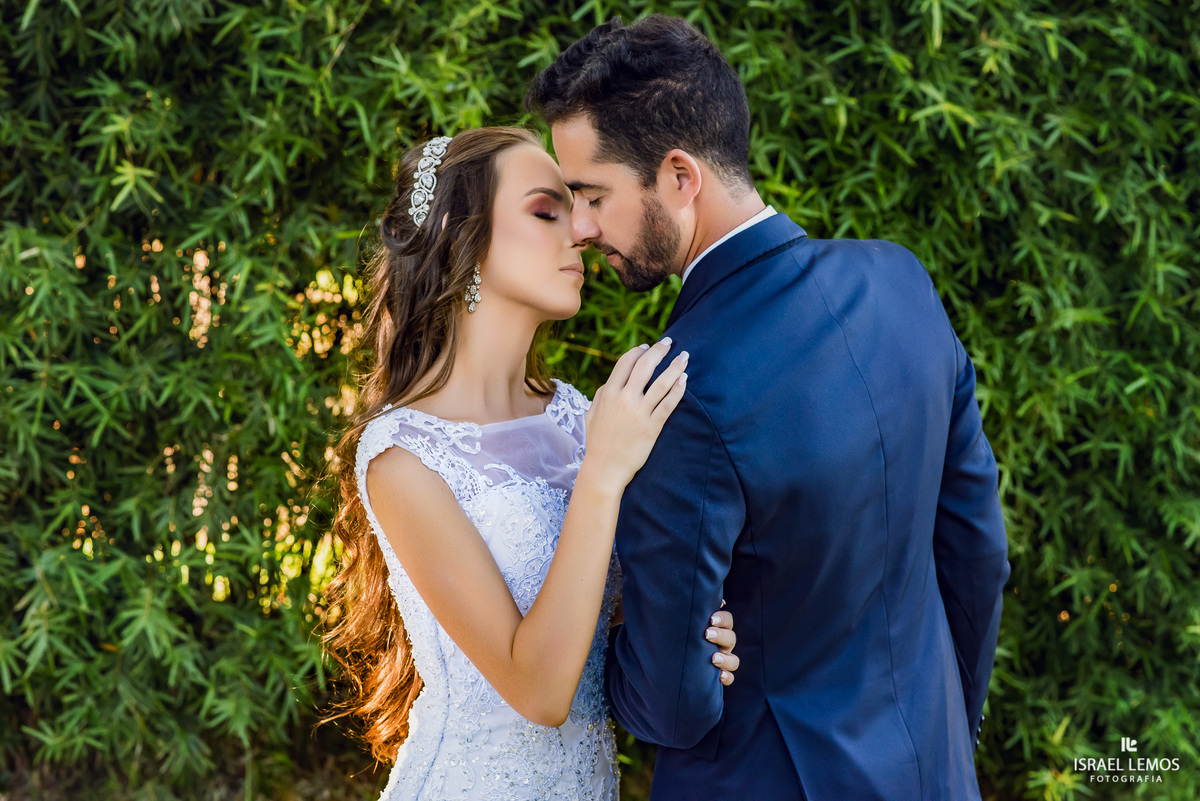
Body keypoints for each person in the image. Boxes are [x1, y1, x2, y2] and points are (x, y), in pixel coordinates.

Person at [526, 14, 1011, 801]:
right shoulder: (902, 282)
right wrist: (947, 732)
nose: (581, 228)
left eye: (592, 194)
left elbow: (674, 706)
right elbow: (977, 556)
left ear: (680, 178)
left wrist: (610, 650)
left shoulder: (678, 390)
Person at [322, 126, 738, 801]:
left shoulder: (577, 416)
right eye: (546, 210)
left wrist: (697, 627)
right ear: (464, 241)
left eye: (574, 207)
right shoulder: (402, 457)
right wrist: (603, 471)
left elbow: (604, 621)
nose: (580, 229)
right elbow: (540, 690)